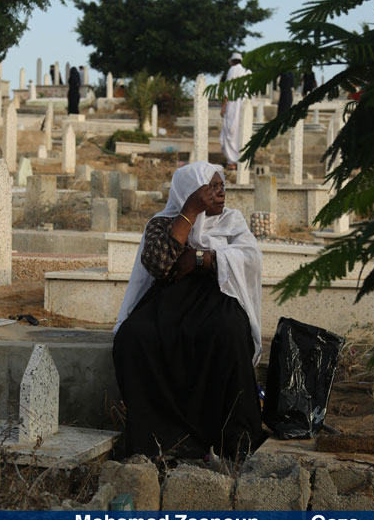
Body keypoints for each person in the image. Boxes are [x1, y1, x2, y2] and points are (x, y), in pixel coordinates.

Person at [112, 161, 267, 460]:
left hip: (218, 295)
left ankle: (233, 441)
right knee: (135, 337)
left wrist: (201, 259)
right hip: (168, 300)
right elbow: (159, 264)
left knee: (227, 332)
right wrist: (191, 212)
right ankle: (159, 441)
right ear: (191, 192)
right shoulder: (162, 223)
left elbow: (250, 259)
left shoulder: (232, 221)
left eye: (222, 187)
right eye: (211, 188)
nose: (221, 194)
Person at [218, 52, 252, 171]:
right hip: (243, 106)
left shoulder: (232, 70)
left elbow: (228, 89)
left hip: (233, 104)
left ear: (232, 62)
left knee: (229, 131)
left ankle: (231, 161)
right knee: (238, 131)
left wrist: (223, 106)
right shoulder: (247, 72)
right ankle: (238, 159)